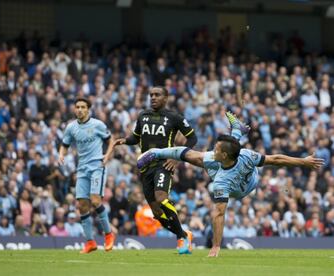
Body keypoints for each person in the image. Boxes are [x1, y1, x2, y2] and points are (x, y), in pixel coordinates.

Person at [137, 112, 324, 257]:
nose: (214, 149)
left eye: (217, 149)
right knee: (197, 157)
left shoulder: (229, 174)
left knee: (203, 159)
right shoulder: (229, 156)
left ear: (224, 155)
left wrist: (216, 246)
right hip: (230, 169)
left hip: (246, 187)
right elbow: (271, 158)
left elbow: (219, 213)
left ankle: (237, 131)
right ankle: (158, 152)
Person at [111, 86, 198, 254]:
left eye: (157, 95)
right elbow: (135, 137)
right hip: (145, 168)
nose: (153, 97)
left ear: (166, 98)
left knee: (161, 198)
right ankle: (183, 234)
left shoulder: (174, 117)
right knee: (157, 213)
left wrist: (177, 158)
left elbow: (192, 138)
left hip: (164, 164)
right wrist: (123, 140)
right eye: (151, 95)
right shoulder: (143, 116)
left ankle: (182, 238)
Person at [58, 97, 115, 254]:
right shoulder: (71, 127)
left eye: (83, 107)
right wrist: (61, 155)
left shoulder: (98, 125)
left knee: (95, 200)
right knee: (82, 205)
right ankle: (90, 242)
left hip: (97, 166)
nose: (80, 109)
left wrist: (107, 155)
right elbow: (64, 145)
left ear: (88, 109)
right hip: (82, 169)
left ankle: (109, 235)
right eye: (77, 107)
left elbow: (111, 140)